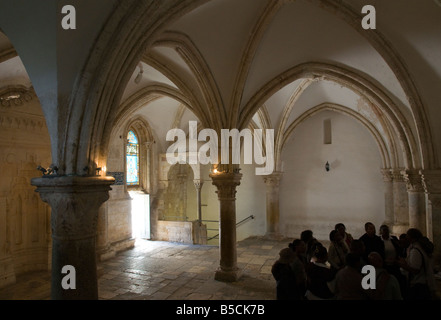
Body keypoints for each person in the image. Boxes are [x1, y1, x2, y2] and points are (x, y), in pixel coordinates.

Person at [398, 228, 437, 300]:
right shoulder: (420, 247)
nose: (406, 238)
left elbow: (415, 270)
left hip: (419, 284)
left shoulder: (415, 250)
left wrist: (403, 265)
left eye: (407, 236)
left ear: (412, 238)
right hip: (425, 282)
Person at [379, 224, 406, 298]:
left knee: (397, 281)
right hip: (385, 265)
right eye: (384, 231)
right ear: (381, 232)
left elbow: (399, 249)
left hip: (395, 264)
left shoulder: (393, 239)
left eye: (387, 231)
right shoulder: (378, 240)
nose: (386, 232)